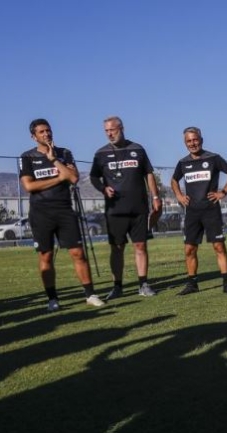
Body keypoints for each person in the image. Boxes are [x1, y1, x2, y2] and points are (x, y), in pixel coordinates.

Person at [19, 118, 105, 311]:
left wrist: (54, 160)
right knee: (46, 256)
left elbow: (73, 178)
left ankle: (90, 294)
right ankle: (52, 299)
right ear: (33, 136)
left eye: (48, 130)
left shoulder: (64, 153)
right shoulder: (27, 157)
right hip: (40, 212)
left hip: (65, 210)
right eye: (41, 132)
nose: (46, 134)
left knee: (78, 253)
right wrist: (59, 178)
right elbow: (29, 186)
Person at [90, 116, 162, 299]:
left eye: (112, 130)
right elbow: (93, 177)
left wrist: (155, 196)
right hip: (115, 210)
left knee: (140, 245)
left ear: (121, 128)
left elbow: (149, 174)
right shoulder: (100, 153)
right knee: (117, 248)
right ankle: (117, 287)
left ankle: (143, 284)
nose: (109, 134)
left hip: (138, 208)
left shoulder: (137, 149)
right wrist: (103, 188)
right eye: (106, 131)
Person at [170, 126, 227, 295]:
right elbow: (174, 180)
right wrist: (179, 196)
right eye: (189, 141)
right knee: (189, 250)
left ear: (201, 140)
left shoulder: (213, 158)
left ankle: (226, 284)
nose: (192, 143)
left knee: (219, 247)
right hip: (192, 213)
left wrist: (223, 192)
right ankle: (192, 284)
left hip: (211, 210)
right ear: (185, 143)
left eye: (195, 139)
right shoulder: (183, 163)